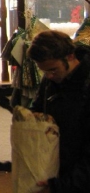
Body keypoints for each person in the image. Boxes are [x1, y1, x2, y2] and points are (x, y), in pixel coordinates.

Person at [28, 30, 90, 193]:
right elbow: (38, 108)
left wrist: (64, 185)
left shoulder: (86, 85)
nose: (48, 76)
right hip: (57, 169)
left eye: (53, 70)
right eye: (44, 71)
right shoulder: (50, 80)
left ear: (70, 56)